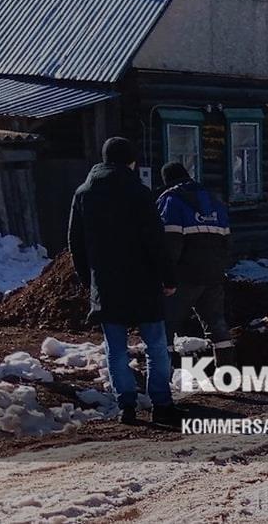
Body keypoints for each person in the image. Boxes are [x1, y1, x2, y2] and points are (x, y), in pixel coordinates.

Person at [68, 137, 180, 426]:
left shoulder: (84, 193)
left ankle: (126, 406)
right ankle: (161, 404)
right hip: (144, 281)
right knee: (155, 345)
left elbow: (75, 243)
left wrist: (89, 280)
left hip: (106, 283)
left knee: (115, 348)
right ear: (131, 162)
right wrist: (168, 277)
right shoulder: (140, 193)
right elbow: (156, 241)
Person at [157, 162, 235, 368]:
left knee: (165, 324)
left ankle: (166, 372)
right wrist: (220, 268)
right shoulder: (214, 200)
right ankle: (227, 372)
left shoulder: (171, 200)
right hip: (214, 275)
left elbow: (171, 244)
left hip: (184, 276)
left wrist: (166, 275)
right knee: (217, 323)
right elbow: (227, 243)